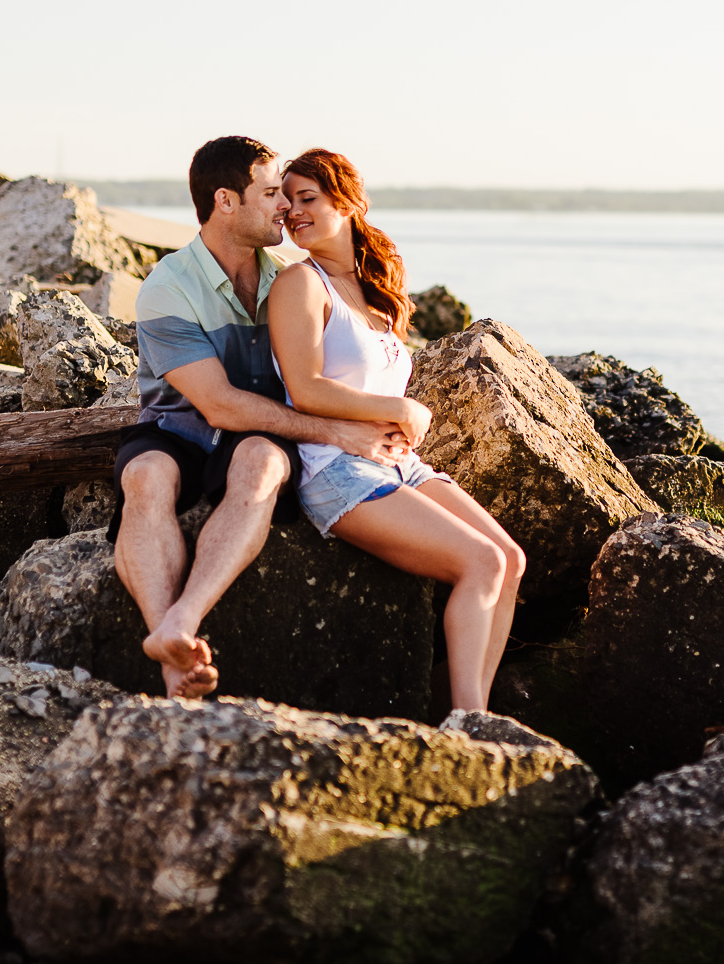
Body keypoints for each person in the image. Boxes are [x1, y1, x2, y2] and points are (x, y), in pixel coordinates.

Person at [113, 136, 407, 697]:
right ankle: (170, 647)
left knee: (262, 464)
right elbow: (217, 403)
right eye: (272, 193)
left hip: (260, 433)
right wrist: (336, 431)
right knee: (144, 477)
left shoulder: (290, 279)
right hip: (180, 427)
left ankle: (183, 622)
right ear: (226, 201)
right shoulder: (168, 286)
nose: (285, 208)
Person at [268, 149, 524, 713]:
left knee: (508, 558)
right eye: (287, 204)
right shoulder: (298, 285)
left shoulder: (376, 285)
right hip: (335, 468)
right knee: (478, 562)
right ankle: (468, 720)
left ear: (348, 201)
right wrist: (401, 409)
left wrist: (402, 416)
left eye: (307, 199)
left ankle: (473, 714)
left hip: (398, 463)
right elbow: (306, 387)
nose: (293, 214)